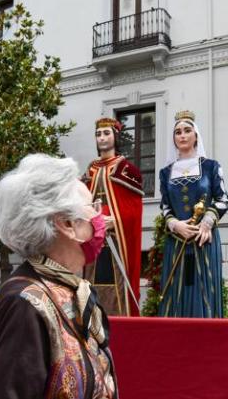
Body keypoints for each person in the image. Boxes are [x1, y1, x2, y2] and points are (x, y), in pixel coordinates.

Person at [0, 154, 118, 399]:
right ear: (66, 224)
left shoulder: (68, 286)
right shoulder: (24, 302)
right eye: (92, 207)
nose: (100, 218)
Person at [159, 110, 228, 318]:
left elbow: (223, 198)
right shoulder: (165, 173)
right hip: (176, 241)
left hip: (203, 241)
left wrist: (207, 223)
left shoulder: (210, 167)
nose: (182, 135)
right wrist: (175, 225)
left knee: (203, 291)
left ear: (196, 135)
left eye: (187, 131)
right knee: (176, 293)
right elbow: (165, 207)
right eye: (178, 132)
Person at [82, 117, 143, 316]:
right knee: (93, 281)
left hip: (117, 240)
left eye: (106, 133)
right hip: (94, 239)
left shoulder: (126, 169)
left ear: (115, 137)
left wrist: (116, 220)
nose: (102, 138)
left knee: (117, 283)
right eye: (98, 134)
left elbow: (134, 209)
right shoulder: (90, 170)